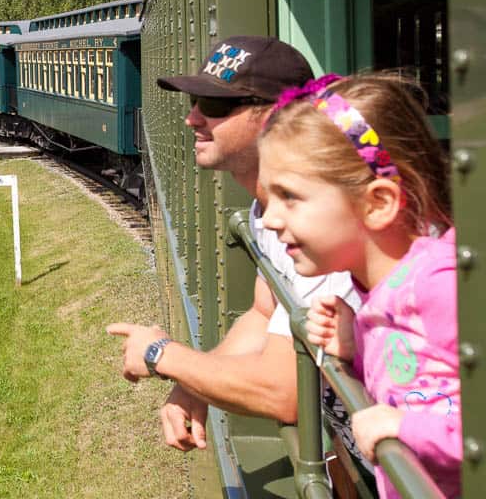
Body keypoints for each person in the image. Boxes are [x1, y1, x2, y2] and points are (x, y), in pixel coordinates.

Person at [107, 36, 368, 488]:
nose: (192, 118)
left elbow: (286, 393)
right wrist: (194, 383)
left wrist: (161, 355)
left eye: (213, 104)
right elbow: (264, 312)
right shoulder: (268, 211)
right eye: (194, 101)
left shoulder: (325, 228)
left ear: (275, 116)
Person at [258, 73, 460, 499]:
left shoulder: (441, 285)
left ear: (378, 203)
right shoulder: (381, 291)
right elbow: (425, 376)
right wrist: (358, 348)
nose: (269, 219)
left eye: (289, 196)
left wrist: (407, 429)